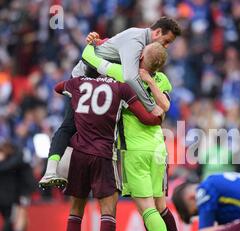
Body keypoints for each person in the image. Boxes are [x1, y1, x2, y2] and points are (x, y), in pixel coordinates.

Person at [54, 43, 169, 231]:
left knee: (76, 209)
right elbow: (147, 118)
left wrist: (76, 88)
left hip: (79, 153)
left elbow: (58, 87)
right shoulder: (121, 88)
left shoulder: (77, 84)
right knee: (108, 210)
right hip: (104, 154)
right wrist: (158, 119)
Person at [39, 16, 181, 188]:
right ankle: (52, 170)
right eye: (166, 41)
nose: (166, 47)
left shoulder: (143, 45)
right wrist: (151, 106)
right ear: (157, 32)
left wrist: (96, 42)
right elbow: (129, 76)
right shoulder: (136, 40)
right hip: (86, 78)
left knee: (104, 131)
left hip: (102, 79)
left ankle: (86, 177)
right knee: (70, 125)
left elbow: (109, 47)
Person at [80, 38, 184, 231]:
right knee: (159, 205)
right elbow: (165, 106)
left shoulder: (122, 72)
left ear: (141, 57)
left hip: (135, 151)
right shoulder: (163, 79)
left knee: (146, 207)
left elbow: (91, 58)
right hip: (159, 148)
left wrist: (94, 42)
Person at [0, 141, 24, 231]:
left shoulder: (10, 163)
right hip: (8, 197)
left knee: (9, 219)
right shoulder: (10, 164)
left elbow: (18, 158)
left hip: (8, 197)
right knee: (10, 218)